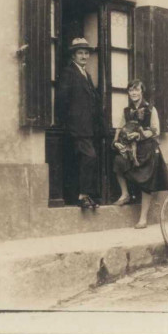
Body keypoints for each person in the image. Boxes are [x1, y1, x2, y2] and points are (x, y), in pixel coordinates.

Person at [112, 79, 168, 229]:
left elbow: (155, 130)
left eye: (136, 90)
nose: (133, 93)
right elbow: (120, 127)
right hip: (131, 149)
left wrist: (139, 136)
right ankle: (125, 194)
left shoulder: (151, 109)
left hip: (147, 148)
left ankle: (143, 218)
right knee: (118, 161)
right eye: (131, 90)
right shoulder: (126, 111)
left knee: (146, 181)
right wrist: (116, 141)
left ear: (142, 92)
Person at [55, 37, 103, 210]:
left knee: (85, 160)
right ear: (73, 56)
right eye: (80, 53)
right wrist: (68, 122)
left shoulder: (86, 74)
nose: (83, 56)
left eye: (86, 53)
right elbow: (61, 100)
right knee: (89, 157)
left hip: (88, 128)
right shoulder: (69, 72)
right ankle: (83, 195)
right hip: (76, 127)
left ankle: (85, 195)